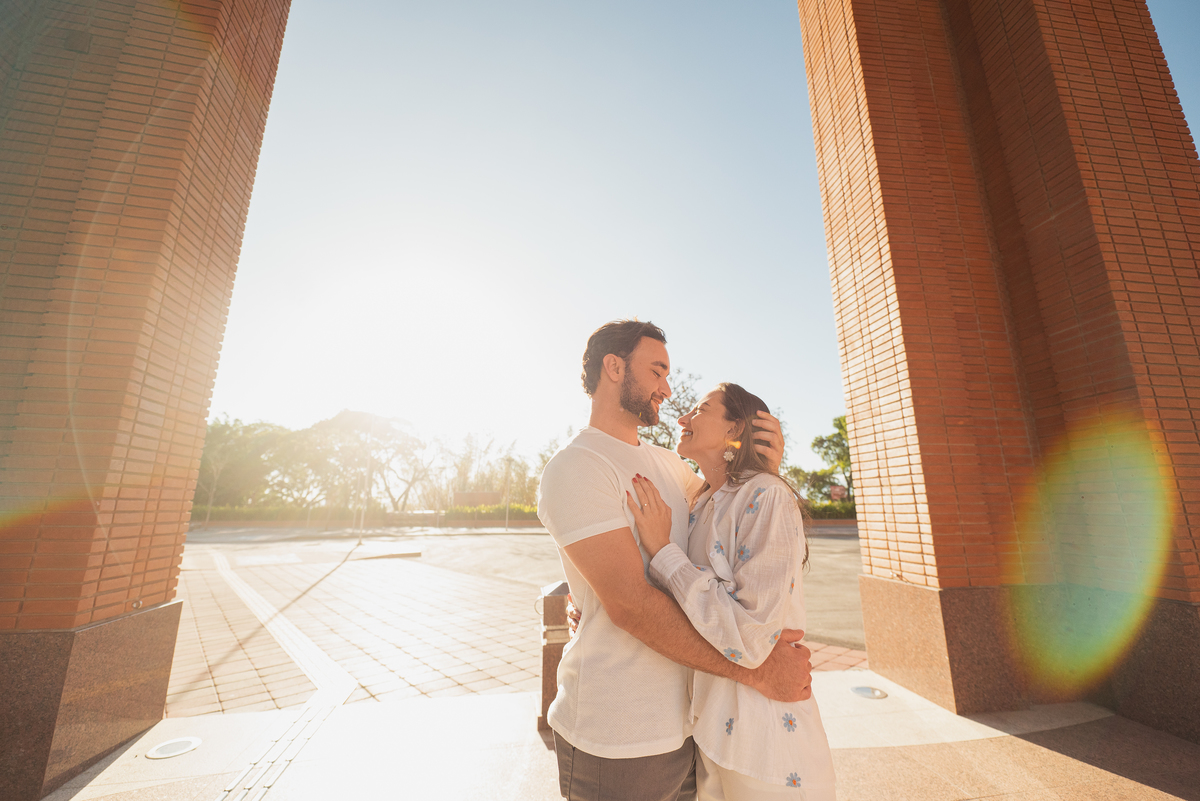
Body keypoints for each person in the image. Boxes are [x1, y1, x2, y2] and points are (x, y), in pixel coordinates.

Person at [537, 320, 814, 801]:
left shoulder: (671, 465)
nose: (668, 388)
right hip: (620, 734)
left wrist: (762, 467)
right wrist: (760, 672)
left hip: (694, 725)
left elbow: (730, 520)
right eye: (658, 371)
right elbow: (631, 606)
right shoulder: (577, 467)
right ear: (615, 367)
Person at [628, 383, 837, 800]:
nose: (683, 418)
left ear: (735, 428)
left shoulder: (768, 496)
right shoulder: (702, 501)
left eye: (701, 409)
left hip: (766, 747)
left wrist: (664, 553)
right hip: (710, 730)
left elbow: (751, 638)